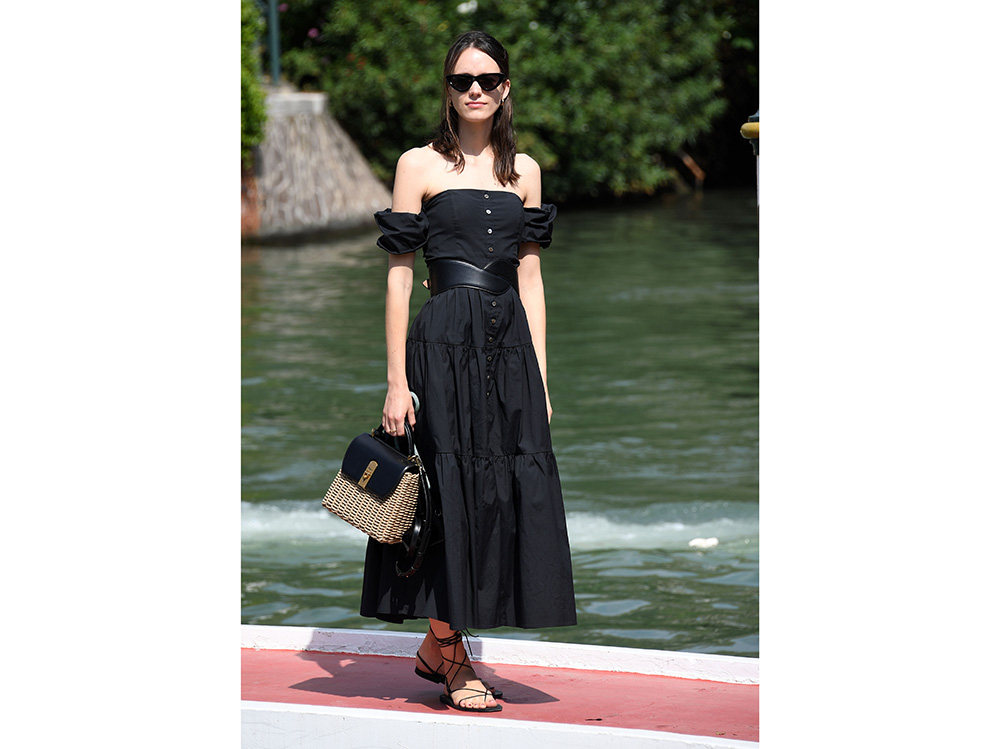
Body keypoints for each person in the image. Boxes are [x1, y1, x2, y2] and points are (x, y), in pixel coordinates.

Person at [359, 30, 576, 714]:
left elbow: (532, 281)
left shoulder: (526, 172)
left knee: (498, 494)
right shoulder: (417, 164)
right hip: (442, 340)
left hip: (510, 346)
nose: (474, 90)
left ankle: (437, 643)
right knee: (444, 490)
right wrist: (396, 380)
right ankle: (453, 655)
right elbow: (399, 278)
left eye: (486, 79)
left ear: (505, 88)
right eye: (461, 81)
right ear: (448, 91)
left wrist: (541, 378)